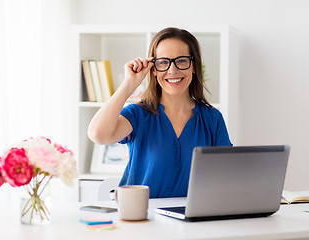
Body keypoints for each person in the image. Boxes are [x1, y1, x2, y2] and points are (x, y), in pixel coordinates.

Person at [88, 27, 233, 198]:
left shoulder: (212, 119)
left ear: (193, 66)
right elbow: (98, 135)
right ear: (154, 69)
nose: (172, 70)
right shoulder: (138, 115)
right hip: (140, 218)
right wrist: (129, 84)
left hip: (191, 220)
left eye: (182, 60)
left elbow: (226, 176)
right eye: (163, 62)